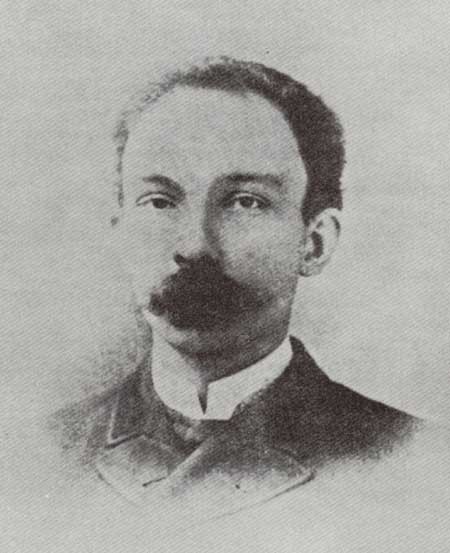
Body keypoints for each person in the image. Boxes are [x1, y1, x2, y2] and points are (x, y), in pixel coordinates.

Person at [49, 57, 450, 530]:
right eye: (159, 201)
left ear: (314, 243)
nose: (194, 245)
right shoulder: (37, 453)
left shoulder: (415, 462)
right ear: (120, 232)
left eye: (246, 202)